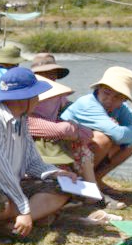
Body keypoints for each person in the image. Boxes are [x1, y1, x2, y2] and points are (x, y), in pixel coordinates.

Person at [0, 67, 76, 238]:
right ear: (23, 98)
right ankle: (24, 218)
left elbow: (31, 160)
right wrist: (24, 208)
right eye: (35, 95)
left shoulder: (21, 119)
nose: (38, 100)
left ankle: (11, 223)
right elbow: (0, 172)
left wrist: (55, 173)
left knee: (64, 186)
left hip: (12, 185)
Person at [61, 66, 132, 195]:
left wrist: (120, 129)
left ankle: (95, 179)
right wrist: (122, 130)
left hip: (83, 153)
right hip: (62, 154)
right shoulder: (87, 104)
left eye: (118, 96)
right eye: (106, 93)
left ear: (124, 99)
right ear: (99, 89)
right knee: (103, 138)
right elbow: (119, 134)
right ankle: (80, 184)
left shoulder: (121, 107)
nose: (110, 100)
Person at [26, 53, 97, 184]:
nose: (51, 76)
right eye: (46, 73)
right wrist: (71, 129)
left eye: (54, 73)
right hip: (32, 148)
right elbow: (60, 129)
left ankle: (92, 191)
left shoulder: (59, 98)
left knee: (83, 145)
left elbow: (86, 131)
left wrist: (74, 132)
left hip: (53, 143)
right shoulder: (27, 99)